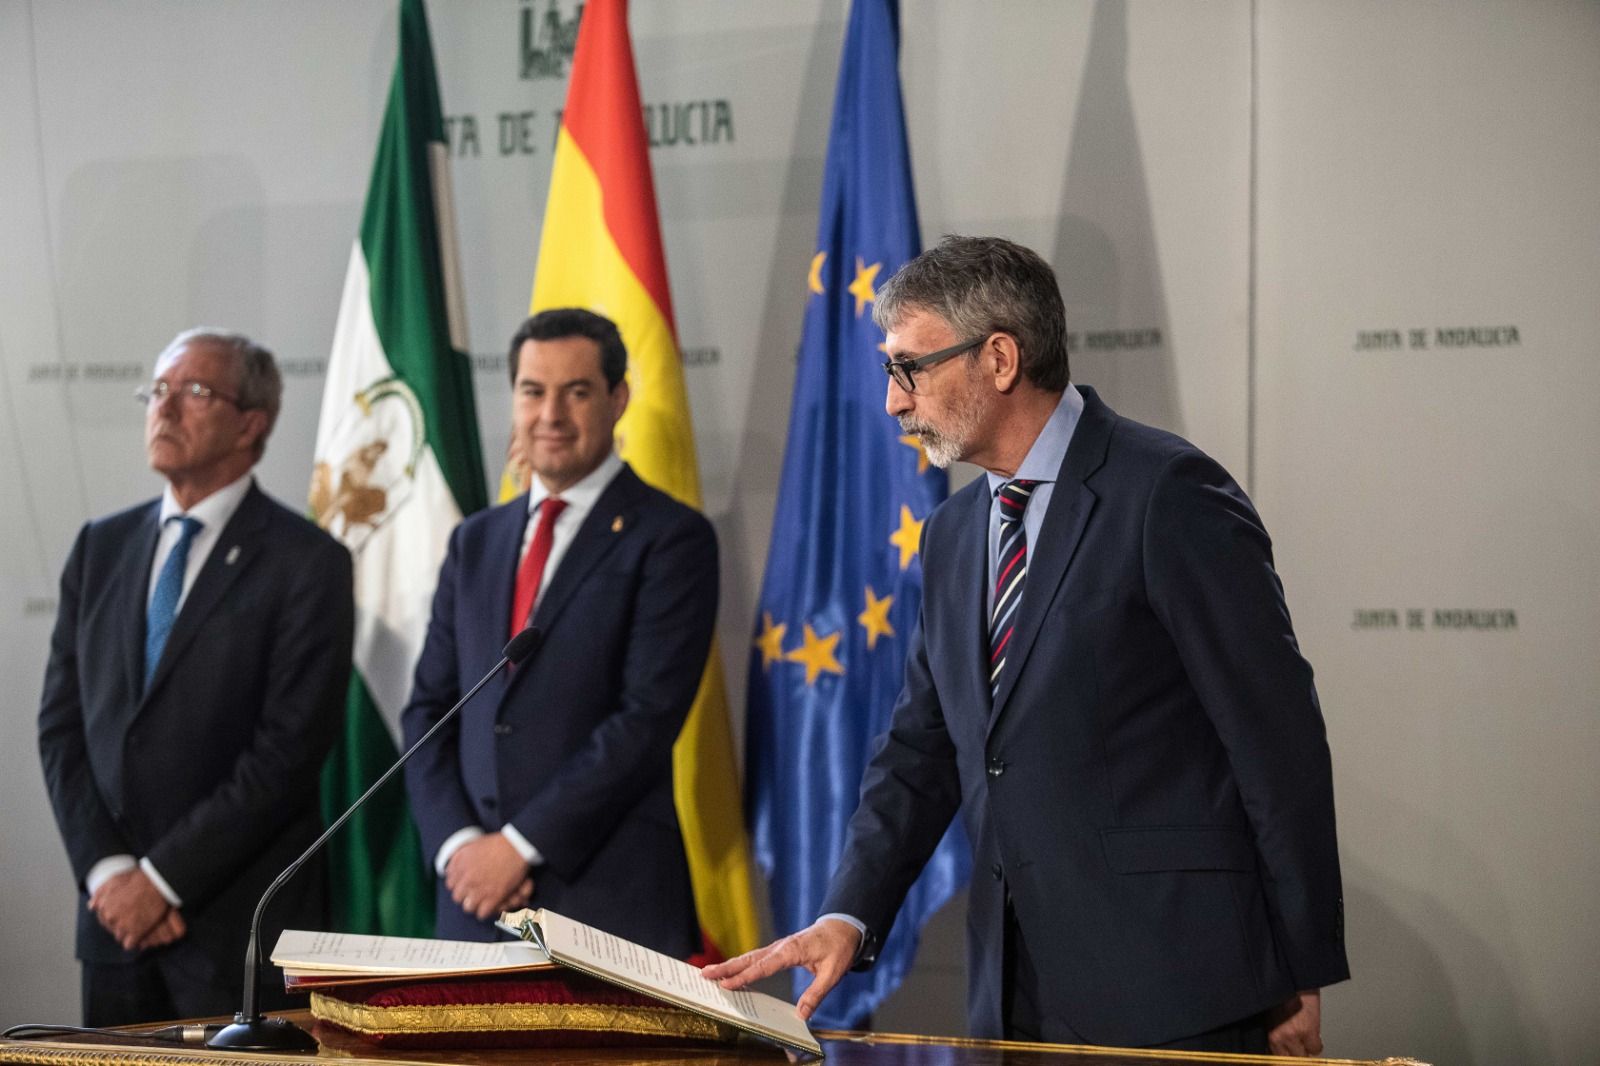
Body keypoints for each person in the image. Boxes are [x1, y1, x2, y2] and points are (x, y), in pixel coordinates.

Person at [707, 237, 1349, 1055]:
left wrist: (1300, 966)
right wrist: (848, 914)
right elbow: (920, 751)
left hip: (1179, 988)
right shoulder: (952, 532)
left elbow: (1276, 740)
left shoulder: (1166, 493)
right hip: (1010, 992)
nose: (894, 402)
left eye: (910, 369)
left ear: (1000, 358)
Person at [38, 328, 354, 1026]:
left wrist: (161, 881)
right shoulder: (100, 547)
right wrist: (109, 874)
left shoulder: (308, 563)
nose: (165, 407)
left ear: (251, 423)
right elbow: (61, 729)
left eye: (195, 391)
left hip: (234, 928)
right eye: (157, 390)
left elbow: (287, 752)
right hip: (114, 928)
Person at [401, 308, 714, 956]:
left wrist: (518, 848)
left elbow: (645, 719)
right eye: (532, 391)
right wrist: (460, 849)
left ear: (617, 399)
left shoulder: (671, 538)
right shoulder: (475, 541)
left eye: (576, 392)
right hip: (472, 904)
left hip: (605, 901)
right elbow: (428, 711)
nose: (551, 415)